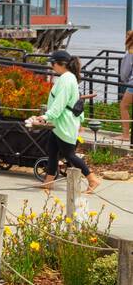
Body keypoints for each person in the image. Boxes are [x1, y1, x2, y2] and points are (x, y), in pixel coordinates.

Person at [36, 50, 100, 194]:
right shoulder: (70, 78)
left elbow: (60, 102)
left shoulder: (66, 79)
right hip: (60, 123)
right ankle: (49, 182)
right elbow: (77, 101)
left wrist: (46, 116)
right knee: (52, 151)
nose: (52, 66)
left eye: (53, 63)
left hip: (64, 123)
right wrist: (80, 121)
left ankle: (92, 179)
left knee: (69, 154)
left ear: (60, 64)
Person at [120, 31, 133, 142]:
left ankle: (125, 135)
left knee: (124, 105)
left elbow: (125, 72)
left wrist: (124, 80)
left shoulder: (131, 51)